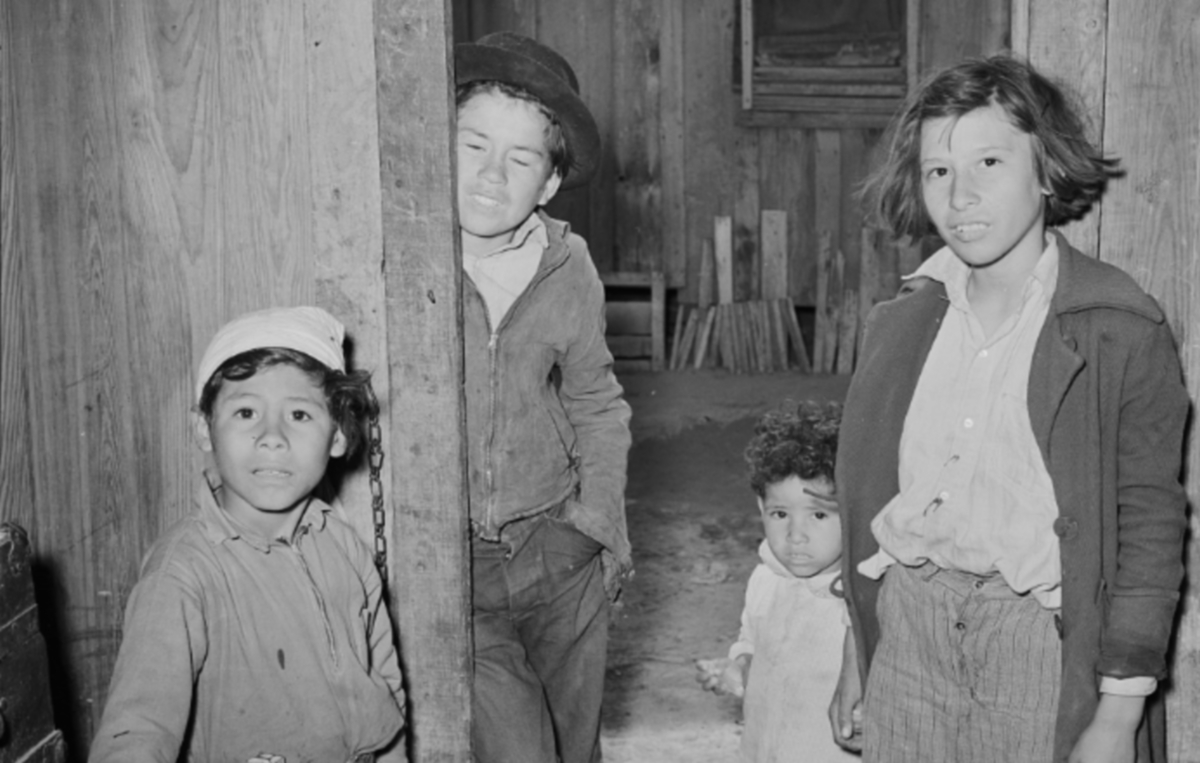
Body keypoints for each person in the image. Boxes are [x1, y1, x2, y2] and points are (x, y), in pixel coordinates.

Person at [829, 55, 1189, 763]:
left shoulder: (1117, 326)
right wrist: (857, 645)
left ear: (1046, 168)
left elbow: (1150, 529)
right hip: (909, 628)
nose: (960, 195)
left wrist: (1118, 717)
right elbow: (877, 508)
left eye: (988, 161)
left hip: (1037, 642)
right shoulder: (899, 324)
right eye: (939, 171)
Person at [89, 306, 406, 763]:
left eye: (299, 415)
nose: (271, 436)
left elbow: (386, 686)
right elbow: (137, 733)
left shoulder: (340, 543)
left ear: (337, 435)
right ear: (204, 428)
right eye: (245, 412)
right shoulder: (182, 572)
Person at [453, 32, 632, 763]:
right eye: (472, 146)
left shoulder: (569, 264)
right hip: (459, 561)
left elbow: (597, 400)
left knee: (575, 744)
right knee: (518, 749)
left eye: (521, 158)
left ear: (550, 183)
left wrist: (593, 522)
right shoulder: (404, 262)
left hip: (557, 546)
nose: (491, 175)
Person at [698, 401, 856, 762]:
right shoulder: (764, 579)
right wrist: (739, 665)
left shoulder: (858, 599)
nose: (795, 535)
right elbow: (750, 641)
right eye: (780, 514)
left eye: (819, 515)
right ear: (760, 508)